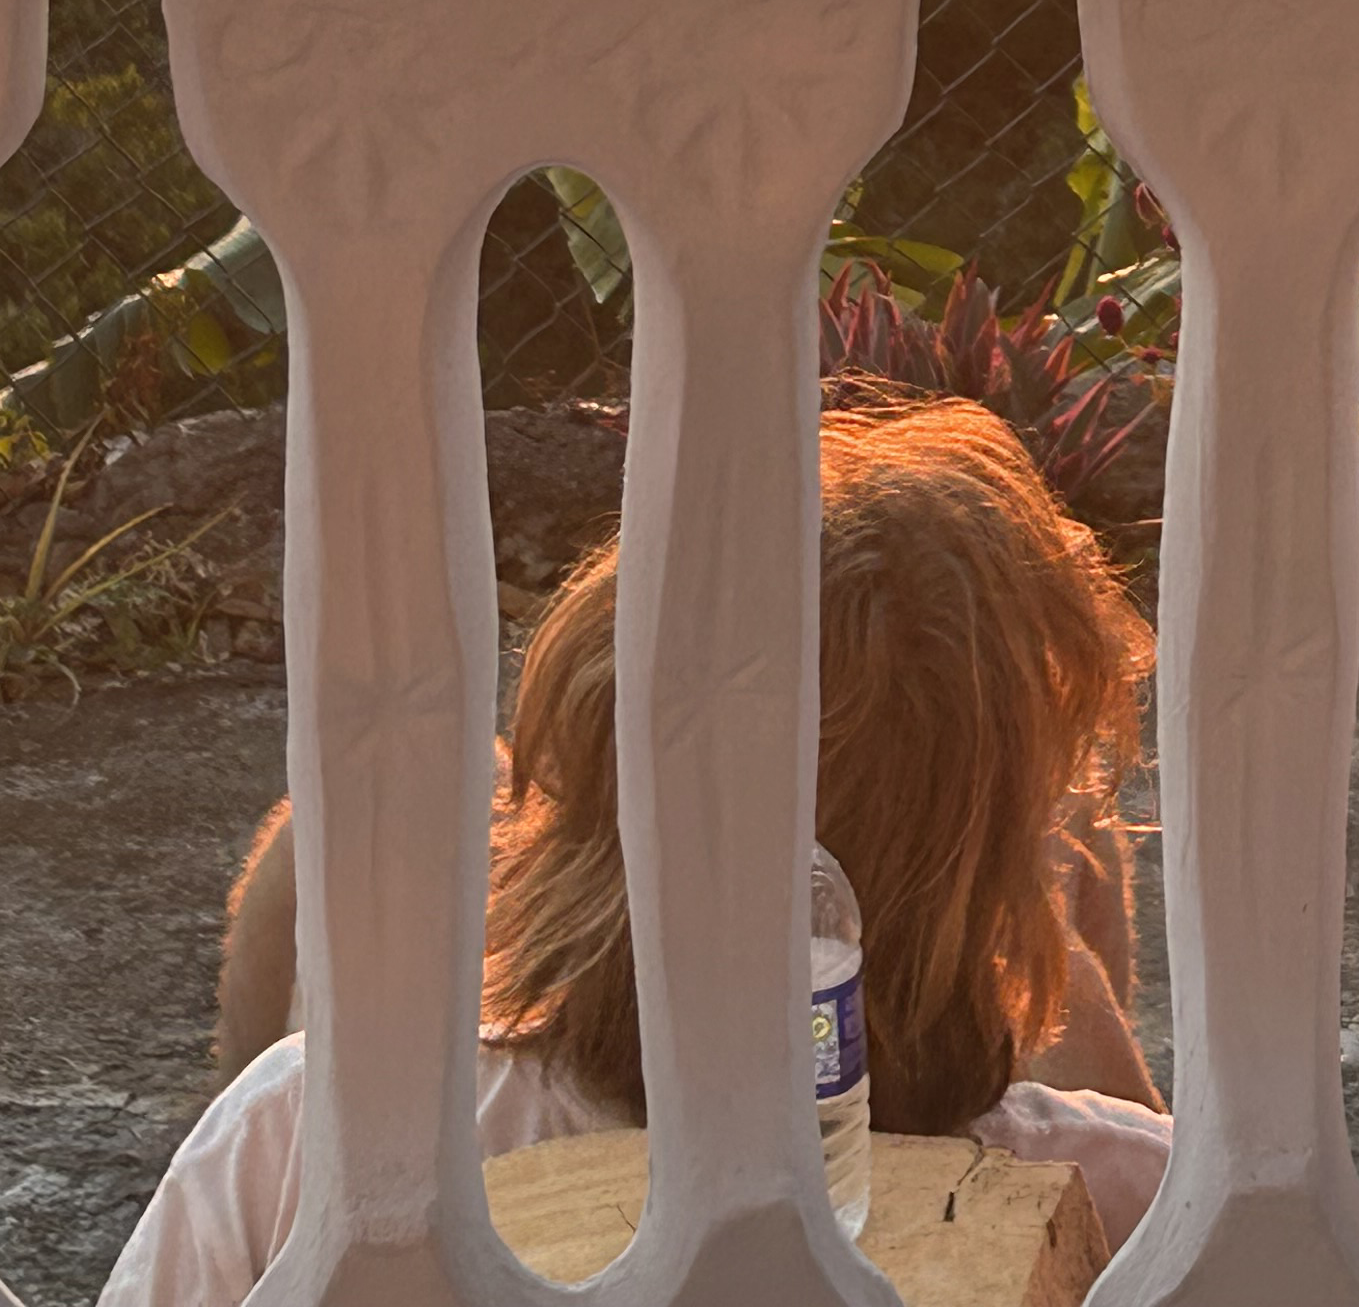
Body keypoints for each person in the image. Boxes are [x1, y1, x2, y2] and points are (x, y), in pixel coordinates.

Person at [107, 399, 1169, 1307]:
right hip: (960, 1139)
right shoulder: (1137, 1199)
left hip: (451, 1133)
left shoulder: (298, 1133)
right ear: (993, 881)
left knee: (338, 830)